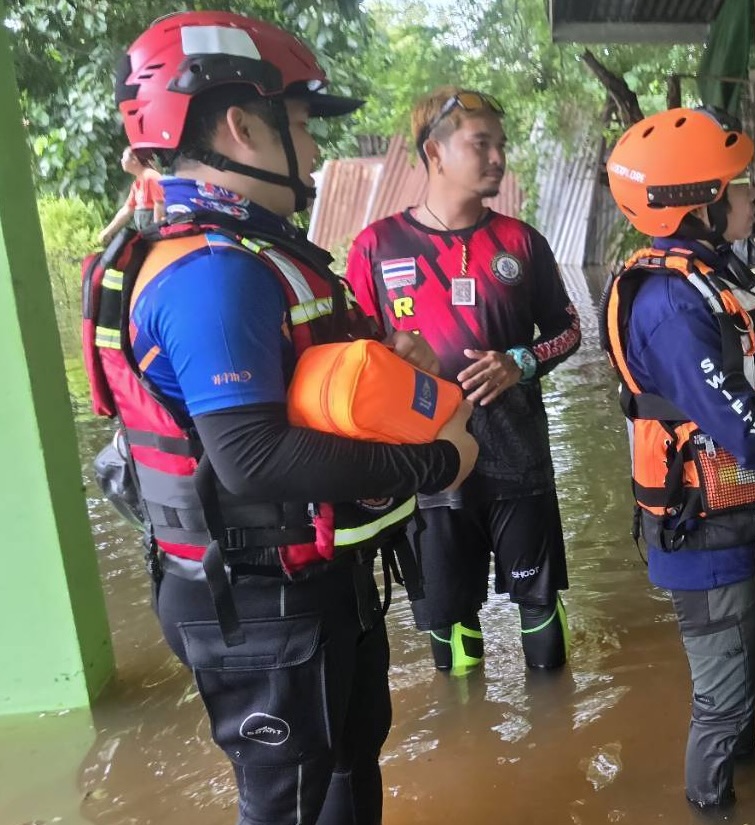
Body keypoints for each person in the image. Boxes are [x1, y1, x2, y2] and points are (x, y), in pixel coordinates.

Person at [93, 11, 479, 824]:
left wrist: (385, 363)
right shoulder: (210, 272)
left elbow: (296, 398)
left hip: (307, 581)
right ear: (240, 124)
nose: (313, 152)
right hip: (261, 600)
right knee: (289, 803)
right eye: (300, 126)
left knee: (346, 768)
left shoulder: (249, 253)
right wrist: (439, 466)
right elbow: (255, 459)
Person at [600, 107, 755, 810]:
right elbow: (739, 429)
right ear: (700, 203)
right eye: (737, 187)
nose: (749, 196)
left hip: (746, 519)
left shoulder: (718, 276)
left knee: (746, 667)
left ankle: (750, 781)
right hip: (702, 531)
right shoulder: (670, 306)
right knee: (720, 695)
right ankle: (712, 806)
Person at [345, 86, 581, 673]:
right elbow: (346, 355)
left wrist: (519, 362)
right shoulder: (376, 248)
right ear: (435, 153)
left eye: (501, 145)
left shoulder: (520, 242)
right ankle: (467, 740)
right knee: (452, 632)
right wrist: (386, 353)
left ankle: (554, 736)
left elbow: (570, 329)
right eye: (482, 144)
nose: (498, 157)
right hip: (429, 468)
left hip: (519, 458)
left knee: (540, 610)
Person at [97, 146, 166, 243]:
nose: (121, 161)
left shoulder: (150, 176)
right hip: (146, 233)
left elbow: (160, 204)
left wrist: (156, 232)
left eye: (123, 157)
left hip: (155, 234)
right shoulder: (137, 183)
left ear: (134, 159)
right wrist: (108, 231)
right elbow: (127, 209)